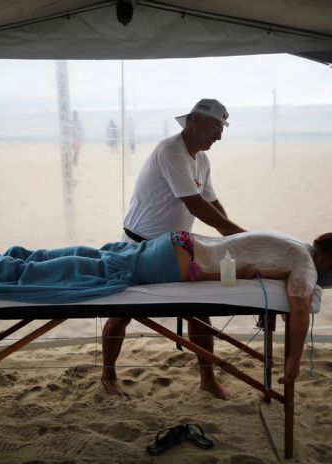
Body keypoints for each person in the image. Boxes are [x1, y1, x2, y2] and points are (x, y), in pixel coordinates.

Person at [0, 230, 332, 390]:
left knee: (82, 262)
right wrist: (290, 363)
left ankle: (12, 261)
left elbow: (257, 268)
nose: (324, 280)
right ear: (327, 260)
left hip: (174, 244)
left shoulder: (292, 245)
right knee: (77, 273)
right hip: (168, 262)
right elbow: (300, 313)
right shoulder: (304, 264)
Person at [105, 98, 245, 399]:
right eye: (216, 128)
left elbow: (210, 201)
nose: (219, 136)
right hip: (138, 246)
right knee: (121, 312)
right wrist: (234, 234)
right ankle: (108, 374)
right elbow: (192, 202)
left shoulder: (202, 159)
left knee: (199, 312)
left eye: (222, 130)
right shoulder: (170, 150)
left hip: (174, 248)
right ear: (193, 122)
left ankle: (207, 379)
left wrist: (233, 232)